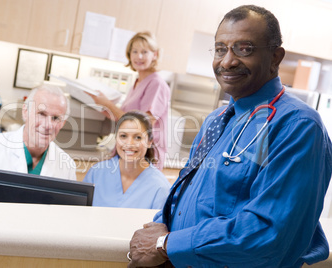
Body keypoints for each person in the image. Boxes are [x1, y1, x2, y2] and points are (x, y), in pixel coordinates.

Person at [127, 5, 332, 268]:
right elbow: (186, 195)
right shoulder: (217, 120)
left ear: (275, 57)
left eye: (244, 48)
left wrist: (165, 244)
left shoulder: (297, 126)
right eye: (221, 48)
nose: (227, 61)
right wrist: (158, 229)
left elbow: (268, 233)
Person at [0, 84, 77, 202]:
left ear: (62, 123)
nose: (48, 125)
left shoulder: (67, 166)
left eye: (56, 118)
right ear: (25, 112)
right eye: (41, 114)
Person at [89, 31, 170, 170]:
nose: (139, 56)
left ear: (154, 55)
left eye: (144, 52)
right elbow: (127, 117)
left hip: (145, 156)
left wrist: (107, 104)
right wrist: (105, 106)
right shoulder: (138, 82)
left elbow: (143, 124)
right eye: (135, 51)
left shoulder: (156, 83)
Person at [83, 111, 170, 209]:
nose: (129, 144)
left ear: (149, 142)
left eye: (138, 137)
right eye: (123, 136)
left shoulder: (160, 187)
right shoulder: (96, 173)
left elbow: (159, 223)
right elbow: (79, 214)